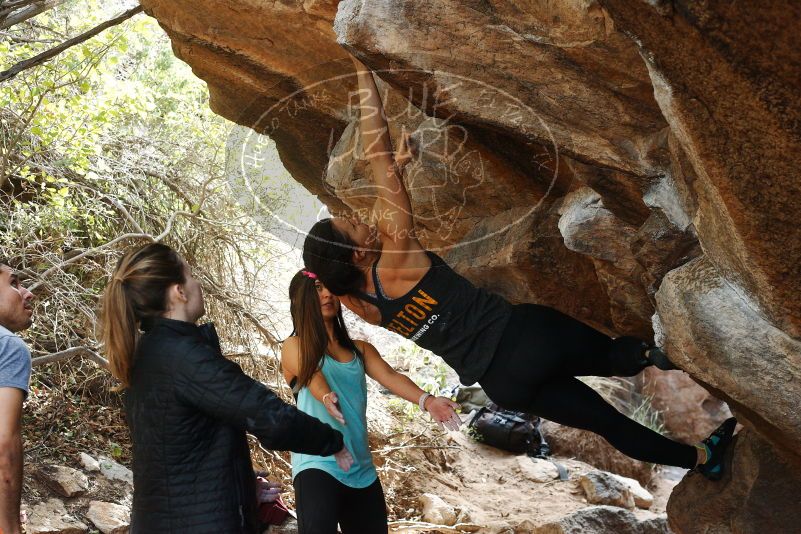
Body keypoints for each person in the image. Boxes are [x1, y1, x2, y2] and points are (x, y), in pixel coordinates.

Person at [302, 56, 737, 480]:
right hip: (527, 336)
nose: (360, 219)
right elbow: (375, 147)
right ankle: (655, 355)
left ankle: (702, 459)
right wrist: (361, 65)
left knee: (609, 424)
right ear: (356, 255)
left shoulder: (357, 302)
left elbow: (336, 265)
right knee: (615, 355)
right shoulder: (399, 249)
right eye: (352, 226)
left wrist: (396, 171)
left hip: (504, 383)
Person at [100, 243, 354, 533]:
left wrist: (241, 488)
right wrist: (332, 441)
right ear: (178, 292)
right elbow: (270, 417)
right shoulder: (184, 357)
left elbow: (180, 453)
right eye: (190, 275)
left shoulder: (148, 354)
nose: (198, 284)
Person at [281, 269, 461, 534]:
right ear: (300, 300)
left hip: (362, 470)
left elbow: (390, 376)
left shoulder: (360, 350)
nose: (328, 294)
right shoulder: (293, 345)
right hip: (317, 465)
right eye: (318, 288)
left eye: (329, 287)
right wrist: (325, 395)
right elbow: (311, 372)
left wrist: (428, 400)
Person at [0, 258, 35, 534]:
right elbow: (3, 443)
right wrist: (9, 526)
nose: (28, 292)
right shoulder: (9, 347)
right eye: (14, 283)